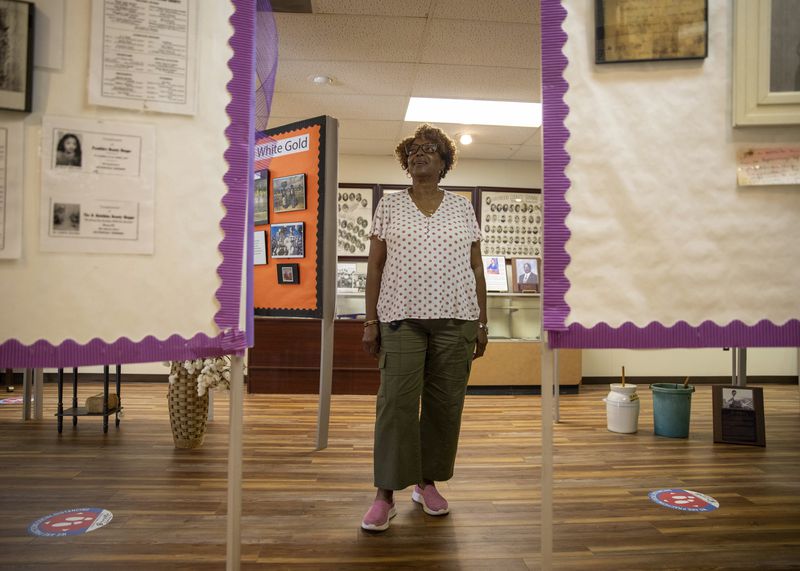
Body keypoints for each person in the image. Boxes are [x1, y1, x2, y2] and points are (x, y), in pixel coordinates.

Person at [360, 124, 488, 532]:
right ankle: (385, 493)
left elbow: (476, 266)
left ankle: (426, 482)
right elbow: (375, 266)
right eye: (414, 149)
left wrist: (483, 321)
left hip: (456, 320)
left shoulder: (462, 207)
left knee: (444, 406)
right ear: (405, 161)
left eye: (430, 149)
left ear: (444, 161)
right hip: (400, 320)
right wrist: (370, 320)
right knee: (395, 404)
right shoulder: (390, 206)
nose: (420, 153)